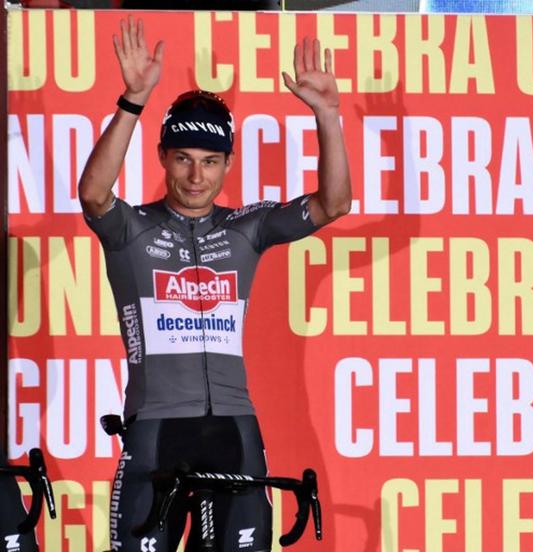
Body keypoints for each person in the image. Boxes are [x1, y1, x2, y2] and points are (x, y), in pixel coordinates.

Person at [78, 16, 351, 551]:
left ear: (227, 164)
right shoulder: (132, 231)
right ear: (163, 158)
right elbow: (93, 195)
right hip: (157, 431)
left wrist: (328, 114)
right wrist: (133, 101)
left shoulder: (244, 229)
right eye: (183, 159)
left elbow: (333, 204)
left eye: (209, 162)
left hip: (233, 430)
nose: (196, 177)